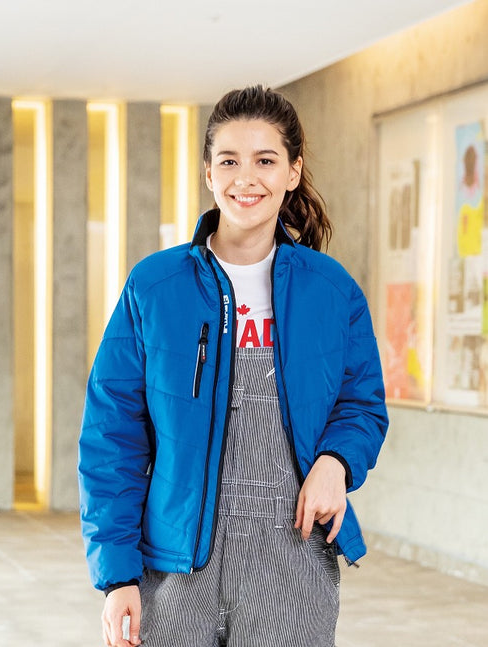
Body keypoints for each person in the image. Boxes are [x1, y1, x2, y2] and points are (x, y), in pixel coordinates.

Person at [79, 85, 388, 647]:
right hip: (174, 571)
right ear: (208, 173)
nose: (246, 178)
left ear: (293, 172)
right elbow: (112, 437)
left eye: (265, 160)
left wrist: (336, 462)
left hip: (291, 567)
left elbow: (362, 403)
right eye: (229, 161)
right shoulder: (154, 286)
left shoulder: (332, 291)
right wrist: (117, 576)